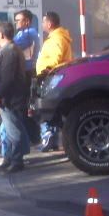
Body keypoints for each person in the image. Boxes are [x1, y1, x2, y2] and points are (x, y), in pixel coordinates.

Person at [0, 22, 29, 173]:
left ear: (1, 34)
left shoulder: (10, 51)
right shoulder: (9, 50)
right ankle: (8, 158)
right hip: (8, 97)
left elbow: (7, 77)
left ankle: (16, 160)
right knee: (7, 130)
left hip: (10, 98)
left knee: (13, 130)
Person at [36, 11, 73, 151]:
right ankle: (52, 140)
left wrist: (46, 69)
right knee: (52, 111)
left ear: (49, 23)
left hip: (51, 78)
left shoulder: (56, 39)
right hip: (52, 78)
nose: (43, 24)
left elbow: (55, 58)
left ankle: (49, 138)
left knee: (47, 110)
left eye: (44, 21)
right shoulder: (56, 37)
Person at [13, 9, 41, 145]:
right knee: (25, 107)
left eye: (19, 20)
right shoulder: (21, 33)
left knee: (25, 107)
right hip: (25, 73)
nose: (16, 22)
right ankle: (31, 136)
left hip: (28, 73)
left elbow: (10, 46)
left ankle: (32, 137)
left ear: (27, 21)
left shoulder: (29, 33)